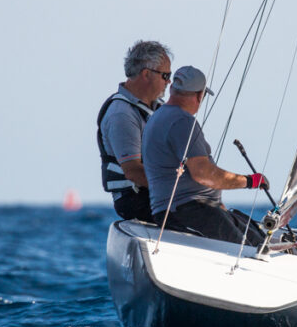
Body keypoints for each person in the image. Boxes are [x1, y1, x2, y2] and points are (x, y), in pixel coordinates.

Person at [142, 65, 270, 245]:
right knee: (249, 251)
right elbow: (203, 174)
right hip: (188, 211)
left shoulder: (158, 117)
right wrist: (250, 181)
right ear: (199, 96)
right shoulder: (182, 121)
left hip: (192, 210)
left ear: (172, 89)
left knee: (258, 242)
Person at [97, 40, 173, 221]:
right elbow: (133, 172)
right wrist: (180, 189)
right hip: (135, 200)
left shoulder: (159, 109)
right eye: (165, 75)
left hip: (159, 194)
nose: (169, 81)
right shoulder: (121, 114)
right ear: (147, 74)